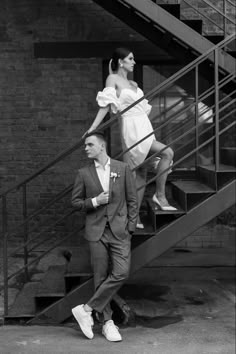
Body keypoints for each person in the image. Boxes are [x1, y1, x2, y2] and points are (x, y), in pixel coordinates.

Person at [86, 47, 176, 229]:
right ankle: (134, 218)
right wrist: (93, 128)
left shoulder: (134, 84)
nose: (134, 62)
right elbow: (106, 105)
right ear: (121, 61)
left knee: (166, 154)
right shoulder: (112, 79)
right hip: (130, 128)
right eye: (131, 59)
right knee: (136, 174)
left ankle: (159, 196)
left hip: (144, 126)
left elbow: (141, 110)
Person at [71, 131, 138, 342]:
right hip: (96, 232)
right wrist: (95, 201)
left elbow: (132, 200)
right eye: (85, 146)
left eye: (90, 145)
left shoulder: (122, 168)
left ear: (101, 146)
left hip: (119, 231)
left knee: (121, 272)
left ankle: (86, 309)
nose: (86, 148)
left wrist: (130, 227)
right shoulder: (84, 173)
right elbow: (75, 203)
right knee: (100, 278)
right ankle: (108, 323)